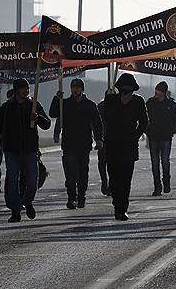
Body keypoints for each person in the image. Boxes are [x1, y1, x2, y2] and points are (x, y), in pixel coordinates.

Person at [0, 78, 50, 222]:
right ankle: (15, 211)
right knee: (13, 181)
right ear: (16, 90)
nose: (26, 91)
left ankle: (27, 201)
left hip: (30, 150)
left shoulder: (33, 105)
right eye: (23, 88)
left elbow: (46, 124)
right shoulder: (7, 107)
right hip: (12, 151)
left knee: (33, 180)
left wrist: (37, 118)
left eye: (27, 88)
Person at [48, 78, 103, 209]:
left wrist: (99, 139)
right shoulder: (65, 103)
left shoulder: (89, 105)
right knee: (70, 174)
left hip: (84, 144)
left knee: (83, 172)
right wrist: (57, 99)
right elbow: (53, 113)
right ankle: (71, 197)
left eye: (78, 87)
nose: (75, 90)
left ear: (82, 89)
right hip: (69, 144)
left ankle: (81, 196)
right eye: (73, 87)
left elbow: (97, 123)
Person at [102, 74, 148, 221]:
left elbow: (144, 122)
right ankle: (117, 203)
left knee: (126, 180)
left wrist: (135, 136)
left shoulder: (138, 101)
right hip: (113, 144)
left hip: (129, 145)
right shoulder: (111, 99)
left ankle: (122, 209)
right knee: (114, 178)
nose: (127, 92)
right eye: (124, 89)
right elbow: (107, 117)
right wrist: (120, 103)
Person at [146, 81, 176, 196]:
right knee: (155, 163)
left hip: (166, 137)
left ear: (164, 92)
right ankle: (157, 187)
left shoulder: (171, 105)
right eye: (156, 89)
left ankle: (166, 183)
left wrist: (172, 131)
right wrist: (148, 132)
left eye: (159, 90)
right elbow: (144, 119)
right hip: (153, 137)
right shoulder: (150, 103)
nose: (156, 92)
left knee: (165, 161)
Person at [97, 90, 111, 197]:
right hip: (102, 138)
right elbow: (96, 121)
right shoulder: (100, 106)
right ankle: (104, 182)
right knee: (102, 163)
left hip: (114, 140)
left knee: (112, 165)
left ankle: (111, 185)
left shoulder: (118, 106)